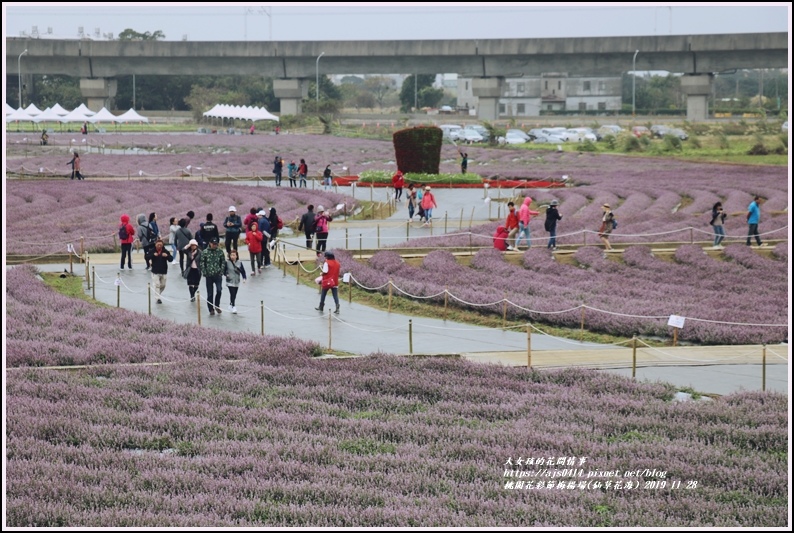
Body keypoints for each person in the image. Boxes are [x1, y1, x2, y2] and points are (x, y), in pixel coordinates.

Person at [200, 237, 226, 316]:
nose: (215, 245)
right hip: (209, 276)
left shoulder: (220, 252)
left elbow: (223, 262)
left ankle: (217, 306)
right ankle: (210, 309)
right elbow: (202, 263)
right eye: (213, 244)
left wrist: (221, 271)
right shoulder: (205, 252)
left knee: (219, 290)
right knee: (210, 293)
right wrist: (205, 272)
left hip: (218, 275)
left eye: (216, 244)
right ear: (210, 243)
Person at [145, 238, 173, 304]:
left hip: (163, 271)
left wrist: (167, 256)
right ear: (155, 245)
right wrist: (153, 255)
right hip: (155, 271)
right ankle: (158, 298)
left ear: (162, 245)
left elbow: (171, 259)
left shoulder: (165, 251)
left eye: (161, 245)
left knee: (163, 285)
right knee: (157, 285)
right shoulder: (152, 250)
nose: (159, 246)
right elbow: (146, 257)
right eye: (158, 245)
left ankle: (157, 294)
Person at [225, 249, 247, 314]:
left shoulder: (239, 263)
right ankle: (233, 306)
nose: (232, 256)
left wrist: (244, 278)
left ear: (236, 256)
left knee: (235, 294)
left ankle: (230, 304)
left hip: (237, 281)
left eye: (234, 255)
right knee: (232, 293)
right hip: (230, 281)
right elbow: (224, 270)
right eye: (231, 255)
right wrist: (226, 274)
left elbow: (243, 271)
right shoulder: (227, 262)